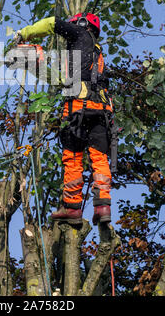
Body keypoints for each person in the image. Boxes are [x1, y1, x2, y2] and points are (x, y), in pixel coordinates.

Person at [15, 13, 113, 225]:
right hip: (101, 111)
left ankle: (72, 208)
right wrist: (34, 66)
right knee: (99, 158)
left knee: (73, 156)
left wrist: (24, 33)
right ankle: (103, 206)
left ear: (80, 25)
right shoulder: (95, 54)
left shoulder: (79, 34)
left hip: (78, 107)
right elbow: (60, 80)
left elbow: (50, 22)